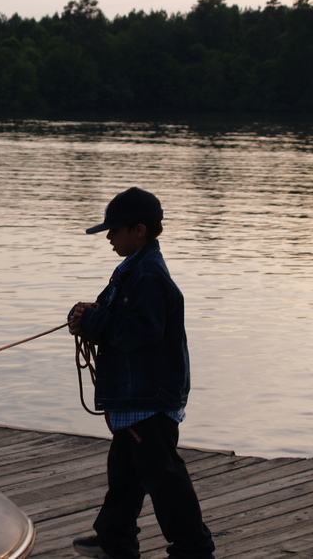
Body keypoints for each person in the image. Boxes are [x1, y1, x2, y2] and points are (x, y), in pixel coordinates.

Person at [68, 187, 215, 559]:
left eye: (114, 231)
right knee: (126, 474)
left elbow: (141, 331)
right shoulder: (134, 268)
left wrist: (95, 321)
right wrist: (91, 314)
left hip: (148, 399)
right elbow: (114, 314)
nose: (109, 238)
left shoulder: (149, 275)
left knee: (164, 478)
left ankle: (193, 550)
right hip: (137, 398)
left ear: (139, 230)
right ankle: (114, 539)